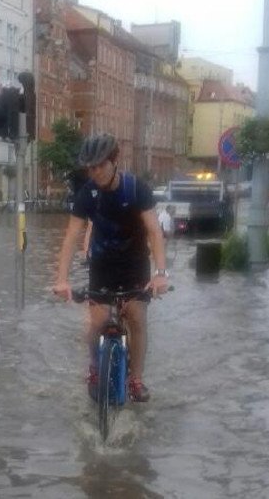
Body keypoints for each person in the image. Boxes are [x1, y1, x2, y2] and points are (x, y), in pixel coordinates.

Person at [52, 134, 169, 403]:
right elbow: (71, 236)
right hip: (102, 266)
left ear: (114, 161)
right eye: (90, 168)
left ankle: (136, 379)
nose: (95, 172)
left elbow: (154, 232)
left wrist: (161, 274)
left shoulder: (136, 188)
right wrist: (62, 279)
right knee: (97, 322)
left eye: (100, 165)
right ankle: (95, 368)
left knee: (137, 317)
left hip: (135, 265)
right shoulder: (87, 194)